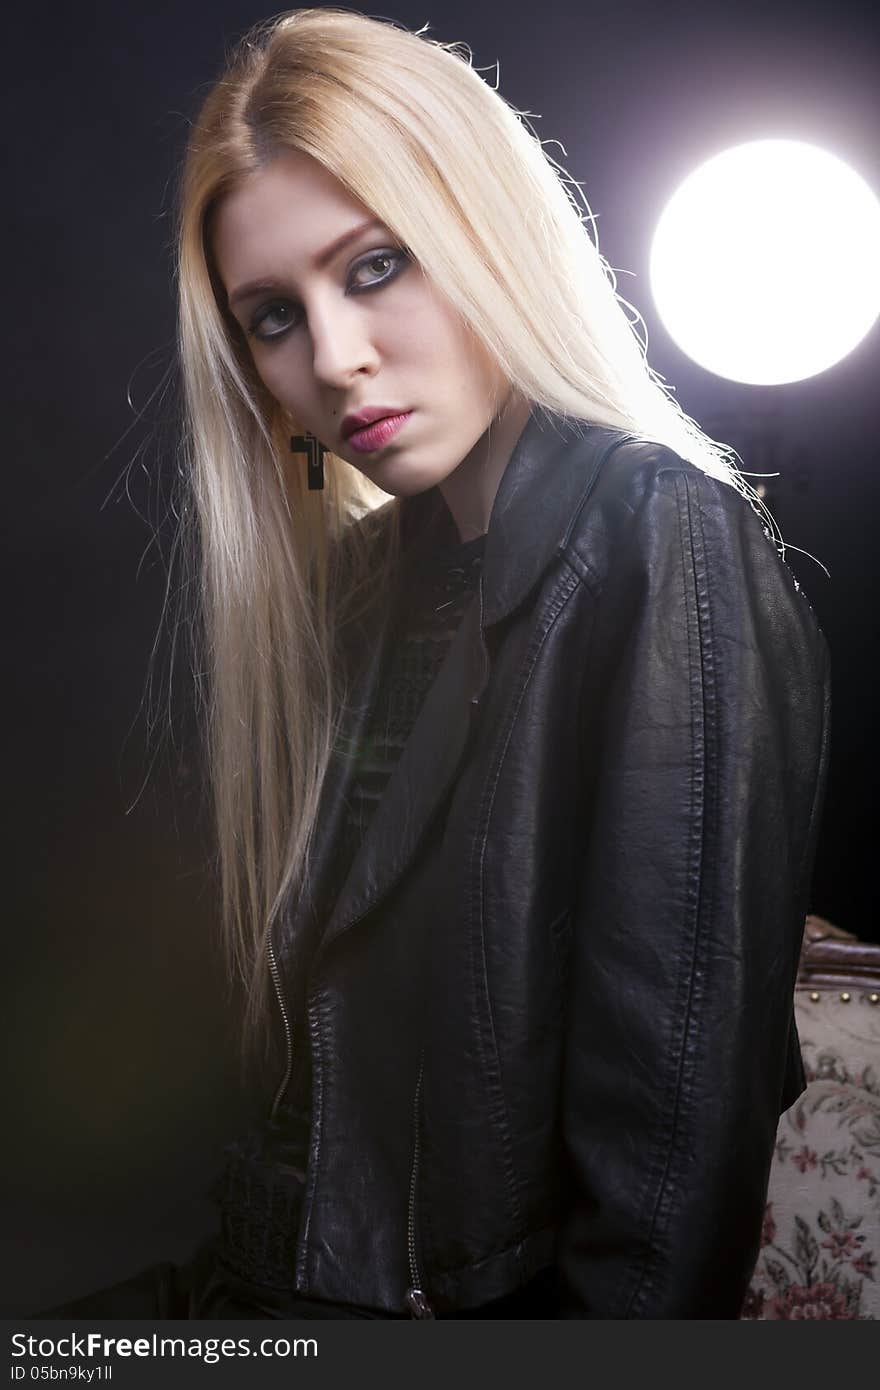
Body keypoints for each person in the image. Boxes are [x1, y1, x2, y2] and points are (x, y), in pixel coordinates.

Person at [41, 6, 830, 1319]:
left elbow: (658, 1203)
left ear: (487, 234)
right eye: (272, 315)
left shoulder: (660, 543)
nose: (335, 361)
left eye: (375, 266)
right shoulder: (364, 591)